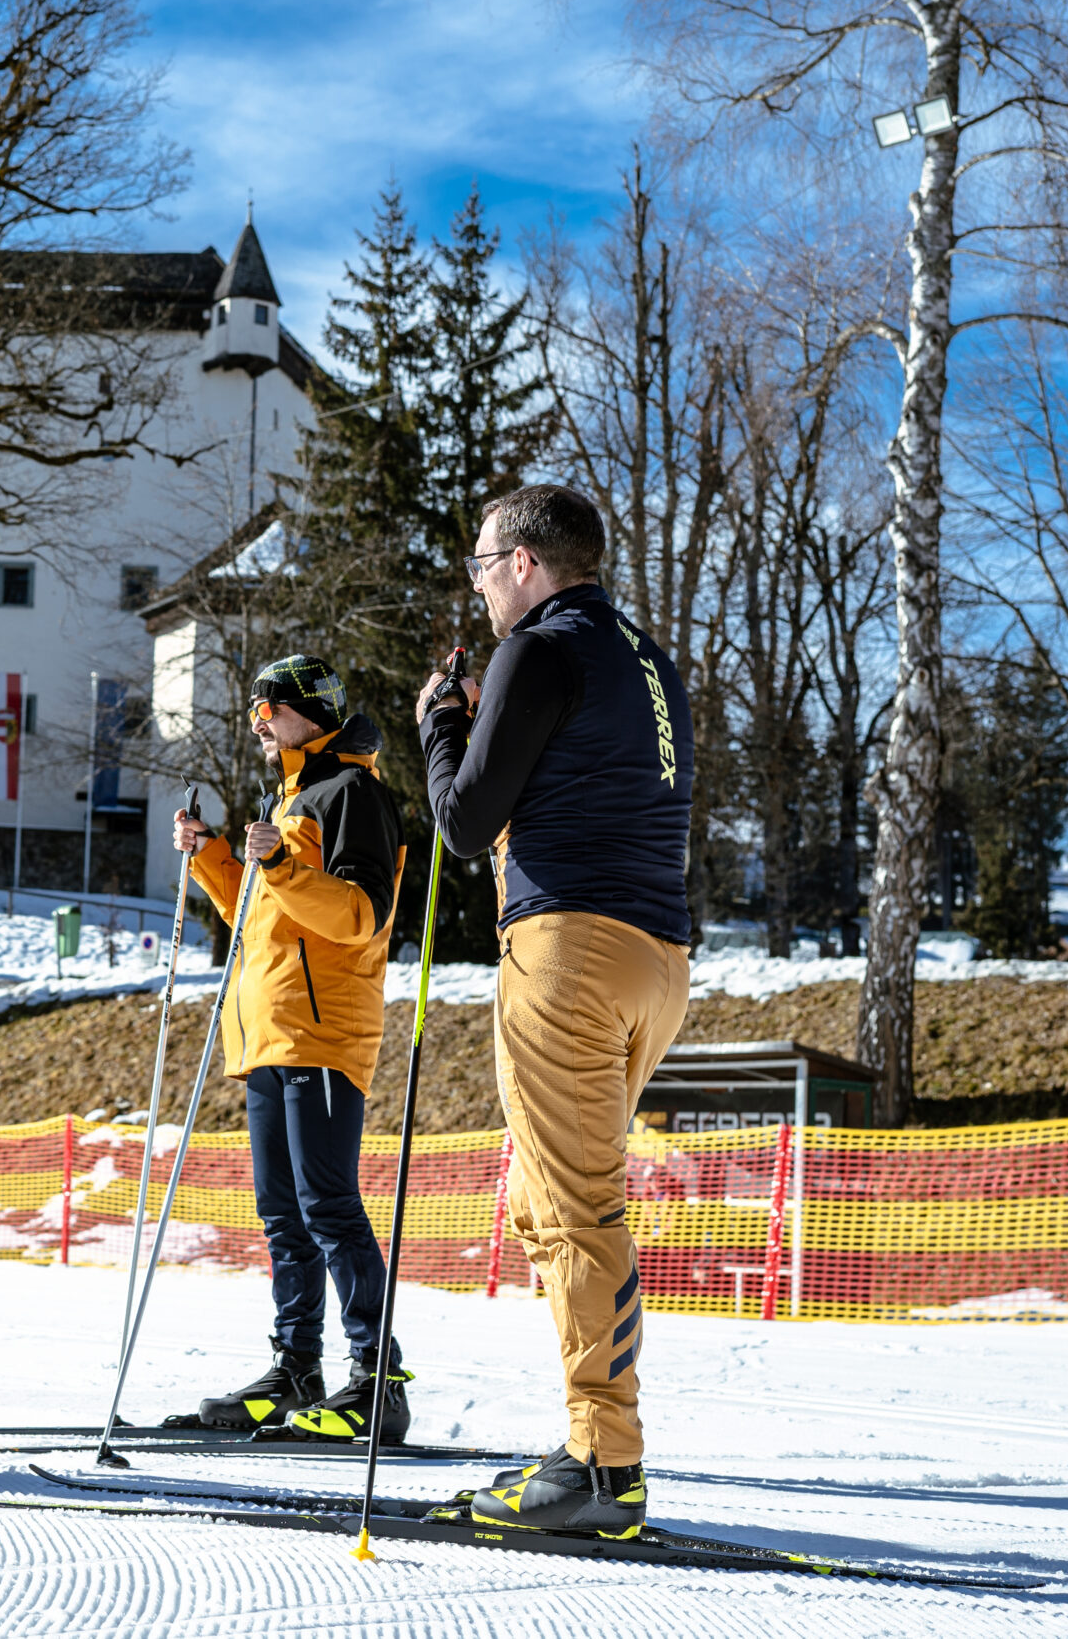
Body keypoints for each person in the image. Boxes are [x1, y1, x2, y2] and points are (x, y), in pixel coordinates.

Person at [416, 484, 693, 1538]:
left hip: (568, 946)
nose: (481, 587)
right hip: (652, 954)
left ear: (526, 563)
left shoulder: (539, 646)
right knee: (543, 1200)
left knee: (575, 1209)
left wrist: (443, 724)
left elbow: (462, 820)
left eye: (485, 566)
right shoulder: (645, 657)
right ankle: (589, 1447)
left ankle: (600, 1463)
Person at [172, 654, 411, 1444]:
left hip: (324, 1032)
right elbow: (258, 908)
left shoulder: (352, 794)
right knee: (285, 1213)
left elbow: (358, 914)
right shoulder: (296, 797)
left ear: (313, 712)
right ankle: (297, 1366)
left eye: (269, 710)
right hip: (269, 1033)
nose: (261, 726)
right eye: (254, 715)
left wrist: (277, 860)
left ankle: (376, 1380)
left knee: (328, 1204)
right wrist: (215, 856)